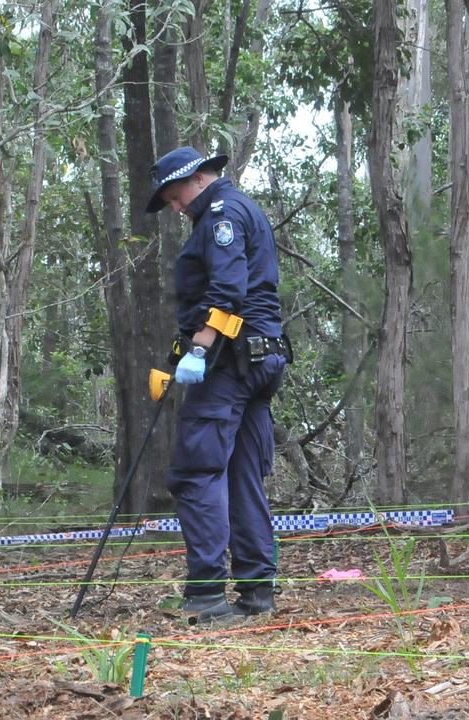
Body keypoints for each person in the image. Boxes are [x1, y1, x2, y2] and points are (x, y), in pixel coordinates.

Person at [147, 146, 289, 622]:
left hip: (231, 362)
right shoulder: (240, 210)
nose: (175, 207)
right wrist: (180, 353)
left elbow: (228, 290)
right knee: (240, 472)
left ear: (199, 179)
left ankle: (206, 595)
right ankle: (257, 589)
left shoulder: (222, 216)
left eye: (175, 195)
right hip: (260, 359)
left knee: (198, 471)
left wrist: (202, 350)